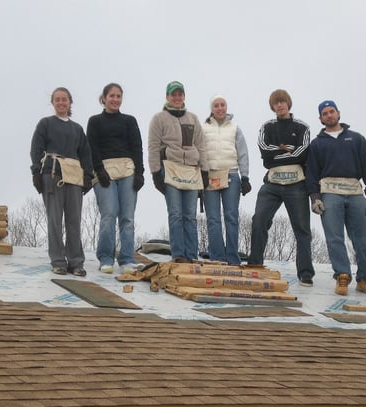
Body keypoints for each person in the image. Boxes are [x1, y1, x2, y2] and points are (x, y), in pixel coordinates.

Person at [306, 100, 366, 297]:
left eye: (331, 112)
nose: (329, 115)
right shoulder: (317, 144)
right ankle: (342, 275)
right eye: (324, 113)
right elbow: (311, 173)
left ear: (338, 113)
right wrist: (315, 198)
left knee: (364, 237)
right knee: (334, 236)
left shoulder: (356, 139)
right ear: (320, 119)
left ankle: (365, 278)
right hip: (329, 191)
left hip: (355, 192)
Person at [248, 89, 315, 285]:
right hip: (272, 183)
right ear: (272, 106)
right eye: (275, 103)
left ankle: (305, 273)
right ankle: (255, 264)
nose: (279, 105)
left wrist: (277, 152)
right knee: (259, 220)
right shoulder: (266, 127)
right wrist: (286, 150)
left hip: (296, 184)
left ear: (288, 103)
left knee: (302, 229)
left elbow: (302, 153)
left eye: (282, 102)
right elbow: (264, 150)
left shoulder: (302, 127)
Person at [30, 87, 94, 276]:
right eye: (57, 99)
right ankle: (58, 261)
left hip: (74, 175)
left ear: (70, 102)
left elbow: (85, 153)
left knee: (74, 220)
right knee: (55, 220)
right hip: (52, 174)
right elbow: (36, 149)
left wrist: (88, 175)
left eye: (64, 99)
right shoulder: (46, 124)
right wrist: (36, 172)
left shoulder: (77, 129)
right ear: (53, 102)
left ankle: (76, 262)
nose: (61, 103)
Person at [87, 83, 145, 275]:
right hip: (105, 170)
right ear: (103, 98)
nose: (115, 99)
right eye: (111, 96)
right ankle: (106, 258)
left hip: (127, 168)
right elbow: (92, 147)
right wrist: (99, 170)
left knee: (127, 217)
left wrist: (139, 173)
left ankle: (127, 259)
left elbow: (137, 146)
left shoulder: (129, 121)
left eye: (118, 96)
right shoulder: (95, 121)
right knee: (109, 214)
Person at [148, 81, 209, 261]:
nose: (176, 97)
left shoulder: (193, 118)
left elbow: (201, 145)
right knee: (175, 214)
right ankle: (178, 255)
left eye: (180, 94)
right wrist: (155, 172)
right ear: (167, 96)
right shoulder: (159, 118)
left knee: (190, 216)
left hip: (191, 170)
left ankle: (192, 255)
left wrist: (205, 170)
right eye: (173, 94)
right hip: (170, 169)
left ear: (184, 96)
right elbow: (153, 147)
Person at [201, 95, 251, 265]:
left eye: (223, 105)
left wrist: (245, 177)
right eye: (216, 105)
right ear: (212, 108)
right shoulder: (204, 127)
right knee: (213, 218)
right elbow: (200, 151)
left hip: (231, 174)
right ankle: (217, 256)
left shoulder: (235, 127)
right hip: (211, 176)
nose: (220, 108)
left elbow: (243, 152)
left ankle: (232, 257)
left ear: (226, 107)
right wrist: (201, 173)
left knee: (231, 216)